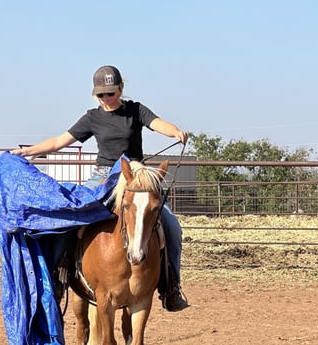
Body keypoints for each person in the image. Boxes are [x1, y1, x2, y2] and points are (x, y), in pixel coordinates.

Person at [10, 65, 190, 312]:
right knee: (71, 217)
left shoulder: (136, 110)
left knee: (171, 226)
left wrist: (175, 132)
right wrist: (27, 152)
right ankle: (60, 276)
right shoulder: (92, 118)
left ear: (120, 89)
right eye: (100, 95)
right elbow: (58, 142)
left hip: (134, 175)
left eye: (110, 93)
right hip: (103, 176)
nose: (106, 99)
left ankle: (171, 288)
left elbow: (157, 123)